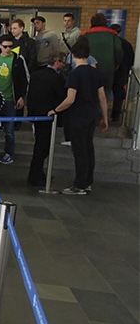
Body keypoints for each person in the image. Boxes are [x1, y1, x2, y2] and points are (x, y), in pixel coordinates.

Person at [48, 40, 109, 195]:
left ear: (73, 55)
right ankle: (87, 182)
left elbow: (70, 99)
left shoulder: (74, 74)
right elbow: (102, 97)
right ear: (88, 56)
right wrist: (105, 118)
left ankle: (79, 184)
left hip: (78, 116)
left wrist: (55, 110)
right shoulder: (96, 73)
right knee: (88, 148)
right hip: (92, 114)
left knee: (79, 150)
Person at [0, 34, 28, 165]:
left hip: (11, 98)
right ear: (0, 46)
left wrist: (21, 96)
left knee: (9, 130)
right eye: (5, 47)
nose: (8, 49)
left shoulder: (17, 59)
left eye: (10, 46)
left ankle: (9, 153)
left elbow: (23, 79)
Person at [26, 52, 66, 186]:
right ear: (57, 62)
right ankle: (35, 175)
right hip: (49, 116)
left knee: (40, 145)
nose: (64, 65)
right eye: (63, 62)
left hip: (37, 114)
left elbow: (30, 95)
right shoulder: (57, 78)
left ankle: (37, 173)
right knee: (43, 147)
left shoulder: (36, 75)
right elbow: (61, 97)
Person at [81, 13, 122, 114]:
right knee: (105, 93)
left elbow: (79, 51)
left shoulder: (85, 34)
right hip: (108, 69)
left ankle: (87, 115)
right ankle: (100, 116)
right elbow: (119, 51)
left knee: (87, 92)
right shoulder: (113, 35)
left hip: (88, 69)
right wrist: (117, 63)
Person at [110, 23, 135, 122]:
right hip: (121, 74)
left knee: (101, 93)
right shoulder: (127, 44)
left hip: (108, 73)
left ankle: (100, 116)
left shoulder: (109, 44)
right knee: (118, 96)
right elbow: (131, 61)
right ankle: (115, 116)